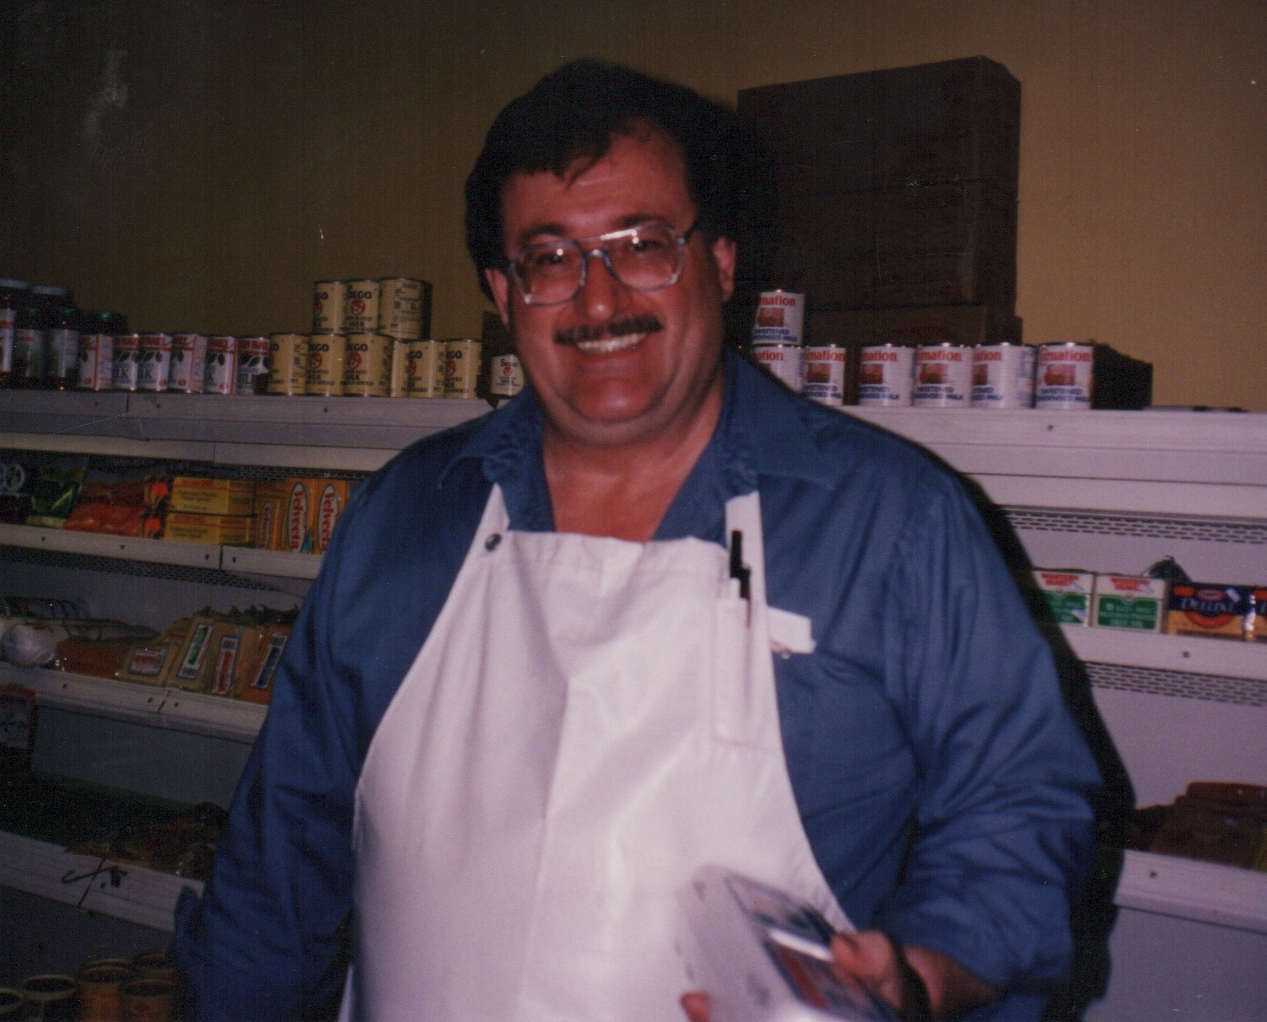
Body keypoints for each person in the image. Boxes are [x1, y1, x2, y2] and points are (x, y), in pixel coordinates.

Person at [174, 59, 1101, 1021]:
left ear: (722, 263)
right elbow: (277, 873)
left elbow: (1023, 811)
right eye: (550, 258)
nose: (600, 301)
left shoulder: (892, 521)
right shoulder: (402, 516)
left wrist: (919, 976)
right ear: (503, 294)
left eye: (643, 245)